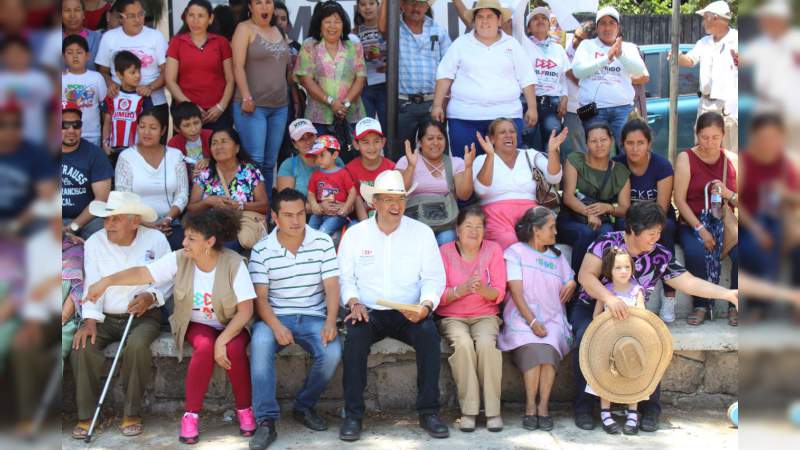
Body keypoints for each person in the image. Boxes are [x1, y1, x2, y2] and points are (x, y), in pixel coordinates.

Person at [85, 208, 257, 445]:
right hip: (196, 324)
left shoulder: (234, 264)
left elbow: (246, 311)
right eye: (185, 236)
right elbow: (144, 273)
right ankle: (191, 415)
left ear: (210, 241)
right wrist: (107, 281)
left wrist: (223, 340)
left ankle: (244, 409)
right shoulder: (180, 258)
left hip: (231, 324)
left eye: (191, 239)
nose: (183, 242)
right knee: (205, 347)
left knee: (235, 349)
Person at [571, 201, 739, 432]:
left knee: (653, 343)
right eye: (651, 233)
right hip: (593, 307)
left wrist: (728, 294)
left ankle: (649, 408)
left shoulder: (660, 255)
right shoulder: (607, 243)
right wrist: (609, 299)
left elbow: (687, 282)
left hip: (633, 313)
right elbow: (586, 276)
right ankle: (584, 407)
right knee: (585, 339)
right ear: (632, 230)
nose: (656, 238)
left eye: (659, 232)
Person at [337, 170, 449, 441]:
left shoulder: (421, 233)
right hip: (368, 310)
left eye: (399, 198)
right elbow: (345, 278)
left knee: (428, 336)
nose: (395, 205)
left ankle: (428, 412)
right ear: (374, 202)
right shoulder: (355, 234)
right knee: (354, 341)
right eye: (388, 199)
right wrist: (353, 302)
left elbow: (434, 278)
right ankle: (353, 415)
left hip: (408, 309)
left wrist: (425, 305)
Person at [70, 191, 171, 439]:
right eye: (107, 219)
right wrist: (90, 320)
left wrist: (150, 297)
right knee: (83, 346)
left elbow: (169, 278)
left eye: (115, 219)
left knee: (137, 347)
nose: (108, 224)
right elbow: (93, 283)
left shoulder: (156, 240)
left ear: (134, 221)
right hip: (104, 315)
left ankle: (131, 412)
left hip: (143, 315)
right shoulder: (95, 241)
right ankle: (87, 416)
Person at [247, 188, 343, 450]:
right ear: (275, 218)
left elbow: (332, 287)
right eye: (288, 215)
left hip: (314, 315)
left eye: (301, 213)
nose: (296, 220)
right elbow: (260, 299)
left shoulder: (322, 241)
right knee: (261, 344)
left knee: (332, 352)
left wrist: (331, 321)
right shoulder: (262, 250)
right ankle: (266, 421)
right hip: (274, 316)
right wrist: (276, 326)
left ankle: (304, 406)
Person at [498, 206, 575, 432]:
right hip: (522, 317)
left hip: (552, 318)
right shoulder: (514, 253)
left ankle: (544, 407)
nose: (555, 233)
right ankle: (530, 406)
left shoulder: (556, 257)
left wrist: (571, 283)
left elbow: (570, 278)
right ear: (535, 230)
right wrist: (531, 321)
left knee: (549, 345)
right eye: (551, 227)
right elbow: (516, 292)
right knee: (534, 349)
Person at [432, 0, 537, 159]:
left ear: (499, 20)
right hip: (464, 118)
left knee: (505, 167)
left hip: (506, 116)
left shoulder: (512, 45)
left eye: (489, 16)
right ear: (474, 21)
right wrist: (437, 105)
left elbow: (527, 78)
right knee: (466, 167)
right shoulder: (461, 44)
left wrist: (532, 107)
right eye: (480, 17)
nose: (485, 21)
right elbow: (445, 75)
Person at [436, 206, 506, 432]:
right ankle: (469, 411)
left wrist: (483, 290)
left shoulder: (493, 250)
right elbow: (438, 296)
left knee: (486, 345)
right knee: (464, 345)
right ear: (457, 229)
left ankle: (493, 411)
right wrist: (462, 290)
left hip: (485, 315)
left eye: (479, 227)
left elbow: (499, 292)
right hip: (453, 317)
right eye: (468, 226)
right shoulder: (444, 252)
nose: (474, 232)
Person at [674, 112, 739, 326]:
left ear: (723, 135)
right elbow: (679, 200)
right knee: (694, 251)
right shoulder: (686, 158)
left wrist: (728, 193)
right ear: (696, 134)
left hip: (723, 224)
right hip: (692, 221)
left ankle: (736, 305)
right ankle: (701, 304)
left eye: (715, 137)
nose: (709, 143)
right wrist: (701, 228)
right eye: (704, 137)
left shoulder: (731, 159)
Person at [612, 119, 677, 322]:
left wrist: (647, 228)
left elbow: (662, 208)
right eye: (630, 143)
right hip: (628, 219)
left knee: (665, 233)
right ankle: (624, 293)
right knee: (617, 231)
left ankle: (669, 296)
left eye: (640, 142)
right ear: (623, 144)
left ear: (649, 144)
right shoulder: (617, 164)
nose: (635, 148)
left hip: (658, 218)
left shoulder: (661, 166)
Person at [739, 113, 800, 319]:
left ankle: (795, 304)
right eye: (763, 137)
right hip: (748, 222)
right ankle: (758, 306)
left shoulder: (785, 163)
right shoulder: (744, 161)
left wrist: (786, 194)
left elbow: (795, 200)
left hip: (778, 219)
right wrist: (756, 229)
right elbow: (736, 201)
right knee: (755, 249)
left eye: (774, 137)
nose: (769, 143)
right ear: (754, 137)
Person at [232, 0, 295, 196]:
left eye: (268, 2)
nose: (264, 7)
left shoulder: (279, 31)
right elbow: (237, 66)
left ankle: (266, 212)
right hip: (253, 106)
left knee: (270, 163)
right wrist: (246, 96)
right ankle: (251, 211)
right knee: (255, 162)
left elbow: (288, 70)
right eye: (258, 2)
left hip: (279, 106)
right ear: (250, 7)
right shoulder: (244, 29)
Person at [473, 118, 565, 250]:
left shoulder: (530, 154)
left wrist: (552, 151)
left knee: (537, 238)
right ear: (492, 139)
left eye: (512, 131)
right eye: (502, 132)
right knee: (509, 240)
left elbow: (555, 177)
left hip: (531, 214)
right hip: (495, 216)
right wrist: (490, 156)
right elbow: (480, 190)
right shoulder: (481, 160)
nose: (508, 135)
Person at [378, 0, 450, 158]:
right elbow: (382, 27)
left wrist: (442, 104)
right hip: (403, 105)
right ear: (401, 5)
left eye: (421, 3)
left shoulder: (439, 30)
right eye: (411, 2)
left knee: (437, 154)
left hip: (433, 104)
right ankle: (400, 184)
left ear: (427, 6)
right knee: (400, 156)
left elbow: (448, 71)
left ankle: (440, 184)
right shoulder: (394, 27)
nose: (416, 7)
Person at [558, 122, 631, 272]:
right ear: (586, 143)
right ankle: (578, 284)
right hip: (572, 218)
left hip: (602, 219)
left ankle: (603, 284)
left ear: (611, 141)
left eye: (603, 140)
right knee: (585, 233)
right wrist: (588, 213)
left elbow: (625, 208)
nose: (599, 145)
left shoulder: (620, 171)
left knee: (607, 234)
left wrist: (608, 208)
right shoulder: (575, 160)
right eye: (593, 141)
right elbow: (568, 196)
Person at [588, 247, 646, 435]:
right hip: (608, 342)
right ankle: (605, 411)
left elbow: (642, 317)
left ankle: (632, 412)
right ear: (609, 270)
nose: (623, 271)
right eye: (618, 268)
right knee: (606, 375)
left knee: (633, 373)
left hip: (630, 342)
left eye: (627, 267)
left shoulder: (637, 291)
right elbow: (597, 316)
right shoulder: (605, 291)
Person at [571, 6, 646, 150]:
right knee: (597, 153)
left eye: (612, 23)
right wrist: (607, 58)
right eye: (603, 23)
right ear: (597, 27)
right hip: (594, 112)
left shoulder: (628, 47)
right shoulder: (587, 45)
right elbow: (578, 71)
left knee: (627, 152)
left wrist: (620, 55)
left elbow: (638, 71)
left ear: (618, 27)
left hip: (623, 110)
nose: (607, 28)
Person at [115, 109, 189, 250]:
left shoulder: (175, 155)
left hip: (170, 223)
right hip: (136, 224)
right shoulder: (126, 156)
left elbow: (182, 194)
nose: (146, 132)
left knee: (181, 250)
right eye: (142, 127)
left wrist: (168, 219)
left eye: (153, 128)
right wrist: (146, 224)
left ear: (163, 130)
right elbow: (122, 196)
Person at [672, 1, 738, 151]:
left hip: (728, 106)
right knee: (703, 148)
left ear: (715, 18)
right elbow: (690, 60)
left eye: (705, 17)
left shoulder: (737, 39)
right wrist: (677, 56)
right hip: (706, 103)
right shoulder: (704, 42)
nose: (703, 23)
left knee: (729, 150)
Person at [295, 0, 367, 137]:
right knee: (321, 157)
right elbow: (306, 80)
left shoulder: (354, 46)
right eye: (327, 21)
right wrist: (331, 102)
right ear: (320, 24)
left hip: (351, 116)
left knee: (350, 157)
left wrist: (344, 104)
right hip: (319, 118)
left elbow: (360, 78)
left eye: (337, 21)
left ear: (343, 24)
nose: (332, 26)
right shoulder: (309, 46)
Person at [396, 120, 474, 244]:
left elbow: (464, 195)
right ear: (420, 142)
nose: (436, 142)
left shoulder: (456, 162)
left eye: (440, 138)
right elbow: (399, 192)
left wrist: (468, 168)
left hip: (446, 223)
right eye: (430, 138)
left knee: (447, 238)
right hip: (415, 223)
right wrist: (411, 166)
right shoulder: (406, 160)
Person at [166, 0, 235, 131]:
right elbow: (170, 80)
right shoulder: (177, 42)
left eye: (201, 16)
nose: (195, 20)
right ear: (186, 17)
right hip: (187, 114)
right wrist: (191, 107)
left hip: (218, 113)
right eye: (191, 15)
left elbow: (230, 79)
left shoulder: (221, 42)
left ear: (210, 18)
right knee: (188, 151)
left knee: (218, 149)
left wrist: (221, 107)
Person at [95, 0, 169, 113]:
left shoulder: (156, 36)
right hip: (121, 101)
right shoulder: (109, 37)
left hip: (154, 102)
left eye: (140, 14)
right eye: (131, 16)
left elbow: (167, 71)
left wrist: (150, 87)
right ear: (121, 18)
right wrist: (111, 84)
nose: (137, 19)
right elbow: (103, 71)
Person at [516, 6, 569, 153]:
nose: (540, 21)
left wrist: (564, 97)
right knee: (526, 144)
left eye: (544, 18)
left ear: (549, 25)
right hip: (527, 102)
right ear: (528, 27)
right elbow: (516, 20)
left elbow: (563, 78)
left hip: (552, 105)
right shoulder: (522, 44)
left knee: (552, 146)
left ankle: (550, 176)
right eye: (535, 18)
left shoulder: (558, 49)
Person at [61, 102, 113, 240]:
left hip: (87, 220)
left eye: (76, 125)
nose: (71, 130)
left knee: (108, 236)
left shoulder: (95, 154)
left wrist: (73, 226)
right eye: (64, 125)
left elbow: (101, 199)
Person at [0, 36, 54, 147]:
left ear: (30, 55)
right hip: (5, 140)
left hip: (36, 138)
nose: (15, 57)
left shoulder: (41, 79)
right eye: (10, 54)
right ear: (2, 56)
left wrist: (52, 138)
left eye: (19, 53)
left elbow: (53, 109)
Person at [101, 50, 153, 160]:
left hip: (136, 152)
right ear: (119, 75)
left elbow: (149, 123)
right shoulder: (112, 95)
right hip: (114, 151)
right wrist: (105, 144)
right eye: (133, 72)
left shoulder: (144, 97)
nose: (138, 76)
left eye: (139, 71)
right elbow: (107, 122)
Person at [346, 117, 395, 221]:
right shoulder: (350, 169)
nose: (372, 147)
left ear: (383, 142)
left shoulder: (391, 168)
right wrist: (367, 227)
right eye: (365, 142)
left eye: (376, 141)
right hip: (360, 220)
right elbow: (357, 199)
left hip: (386, 218)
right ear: (356, 144)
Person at [62, 34, 107, 148]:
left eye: (79, 52)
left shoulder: (97, 78)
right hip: (65, 133)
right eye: (70, 52)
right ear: (63, 57)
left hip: (92, 134)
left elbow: (105, 109)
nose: (75, 56)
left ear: (88, 56)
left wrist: (105, 137)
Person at [305, 135, 356, 235]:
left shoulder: (343, 173)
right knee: (309, 230)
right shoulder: (315, 175)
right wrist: (314, 205)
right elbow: (310, 193)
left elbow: (353, 192)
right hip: (320, 212)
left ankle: (320, 248)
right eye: (316, 156)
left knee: (324, 230)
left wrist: (346, 207)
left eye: (322, 155)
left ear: (334, 155)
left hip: (337, 214)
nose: (318, 159)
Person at [354, 0, 387, 130]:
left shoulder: (388, 29)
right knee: (366, 129)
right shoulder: (354, 32)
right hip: (365, 87)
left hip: (387, 86)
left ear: (378, 5)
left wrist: (388, 65)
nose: (367, 8)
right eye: (363, 4)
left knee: (388, 129)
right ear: (358, 8)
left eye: (371, 3)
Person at [563, 21, 595, 157]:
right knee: (566, 149)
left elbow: (585, 82)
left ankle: (583, 177)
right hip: (565, 106)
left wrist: (568, 70)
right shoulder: (566, 43)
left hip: (582, 108)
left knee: (580, 147)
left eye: (581, 39)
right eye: (576, 36)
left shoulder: (593, 55)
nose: (575, 41)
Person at [167, 101, 213, 176]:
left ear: (202, 121)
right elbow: (173, 171)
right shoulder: (174, 144)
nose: (193, 129)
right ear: (177, 128)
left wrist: (209, 161)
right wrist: (189, 175)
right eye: (187, 125)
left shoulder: (210, 135)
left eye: (196, 123)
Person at [61, 0, 102, 70]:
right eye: (67, 10)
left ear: (83, 14)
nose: (72, 15)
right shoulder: (52, 39)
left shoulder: (97, 39)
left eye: (77, 10)